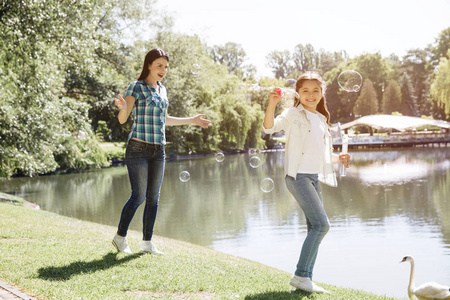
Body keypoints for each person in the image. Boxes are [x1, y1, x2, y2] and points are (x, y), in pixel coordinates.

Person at [112, 48, 212, 255]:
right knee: (138, 196)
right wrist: (123, 107)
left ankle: (147, 243)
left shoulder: (162, 90)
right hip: (138, 148)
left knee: (154, 198)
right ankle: (120, 237)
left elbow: (164, 119)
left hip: (159, 150)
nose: (163, 70)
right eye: (159, 65)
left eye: (166, 67)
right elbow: (123, 119)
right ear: (148, 65)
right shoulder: (136, 87)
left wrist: (191, 119)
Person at [262, 71, 350, 293]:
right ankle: (301, 275)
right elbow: (269, 127)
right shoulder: (292, 114)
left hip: (313, 177)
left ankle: (306, 279)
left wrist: (340, 158)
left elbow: (321, 154)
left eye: (315, 90)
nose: (310, 95)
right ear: (298, 93)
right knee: (322, 225)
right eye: (305, 91)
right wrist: (272, 104)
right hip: (297, 176)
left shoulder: (321, 120)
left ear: (322, 93)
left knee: (314, 226)